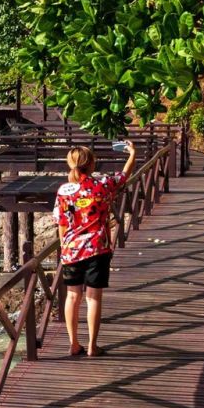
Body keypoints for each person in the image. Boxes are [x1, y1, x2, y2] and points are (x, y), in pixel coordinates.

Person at [53, 141, 136, 357]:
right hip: (97, 248)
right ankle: (92, 345)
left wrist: (65, 248)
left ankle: (73, 343)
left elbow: (61, 223)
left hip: (71, 250)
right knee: (93, 298)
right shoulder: (102, 184)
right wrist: (132, 153)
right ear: (91, 164)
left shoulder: (63, 191)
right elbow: (124, 175)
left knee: (72, 297)